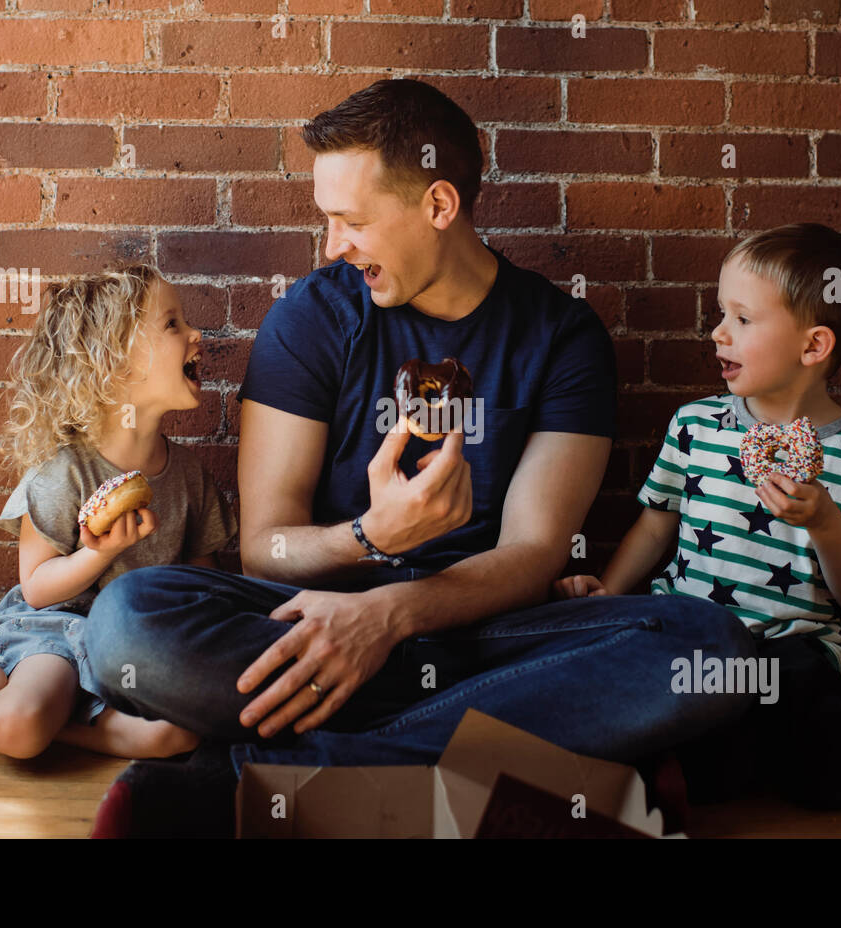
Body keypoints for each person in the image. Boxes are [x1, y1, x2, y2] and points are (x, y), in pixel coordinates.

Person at [83, 78, 754, 837]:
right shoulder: (312, 317)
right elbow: (267, 551)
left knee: (711, 647)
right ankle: (511, 772)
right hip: (314, 634)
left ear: (439, 205)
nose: (334, 246)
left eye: (351, 221)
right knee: (122, 623)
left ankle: (302, 780)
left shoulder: (561, 338)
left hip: (488, 645)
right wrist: (370, 539)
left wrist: (390, 617)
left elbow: (534, 553)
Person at [555, 223, 841, 808]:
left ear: (813, 346)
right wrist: (610, 590)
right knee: (636, 684)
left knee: (822, 762)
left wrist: (824, 524)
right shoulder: (695, 426)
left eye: (742, 319)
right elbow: (657, 524)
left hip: (791, 654)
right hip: (685, 632)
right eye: (721, 314)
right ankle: (713, 757)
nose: (717, 333)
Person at [0, 264, 237, 760]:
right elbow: (36, 586)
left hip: (130, 646)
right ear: (114, 363)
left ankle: (32, 723)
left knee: (177, 735)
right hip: (56, 631)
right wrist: (99, 554)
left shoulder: (189, 477)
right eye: (172, 323)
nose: (196, 334)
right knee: (20, 732)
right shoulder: (65, 472)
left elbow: (201, 580)